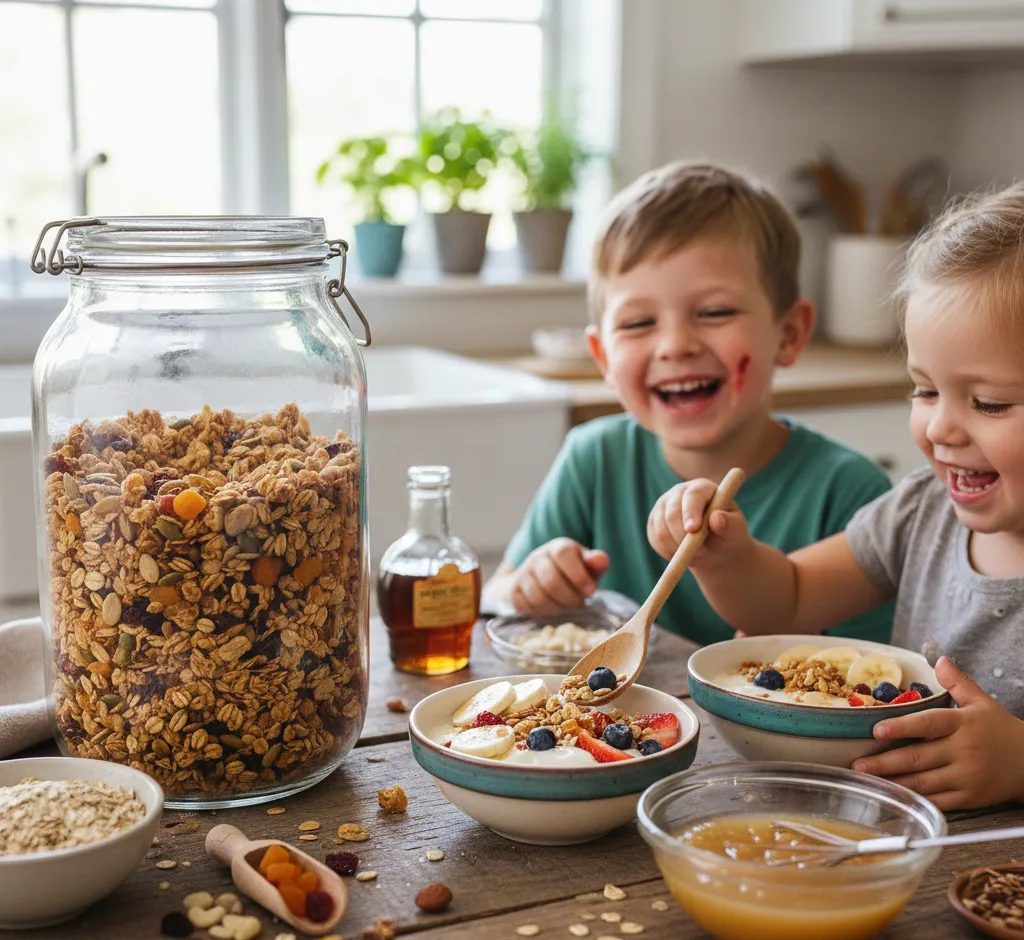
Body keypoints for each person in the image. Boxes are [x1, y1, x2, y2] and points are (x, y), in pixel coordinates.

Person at [653, 185, 1024, 809]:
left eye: (989, 402)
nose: (939, 429)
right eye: (924, 391)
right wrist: (727, 557)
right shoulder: (918, 512)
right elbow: (791, 598)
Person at [485, 162, 894, 645]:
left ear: (789, 335)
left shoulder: (852, 493)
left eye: (715, 312)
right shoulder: (592, 458)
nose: (675, 345)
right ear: (604, 357)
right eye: (638, 323)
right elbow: (496, 596)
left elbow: (878, 683)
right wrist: (530, 587)